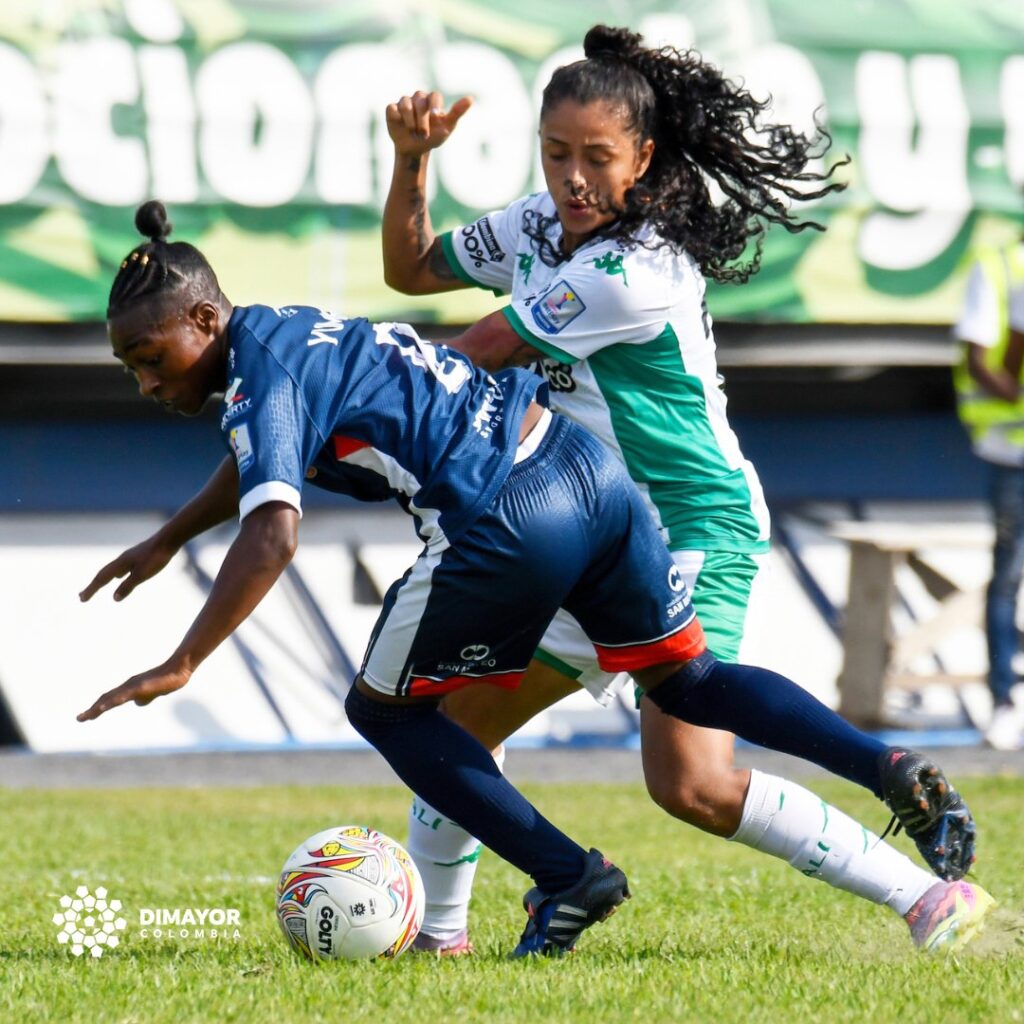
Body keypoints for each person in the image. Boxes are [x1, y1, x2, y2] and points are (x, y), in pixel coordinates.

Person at [77, 200, 983, 959]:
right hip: (585, 471)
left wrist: (185, 660)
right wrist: (169, 538)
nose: (146, 382)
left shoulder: (260, 376)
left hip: (502, 516)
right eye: (129, 368)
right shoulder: (285, 334)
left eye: (150, 357)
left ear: (205, 320)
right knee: (688, 680)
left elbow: (273, 534)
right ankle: (885, 766)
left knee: (386, 713)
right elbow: (261, 456)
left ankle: (567, 877)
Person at [381, 24, 992, 955]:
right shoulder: (538, 225)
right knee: (457, 721)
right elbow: (411, 268)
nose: (573, 178)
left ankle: (929, 896)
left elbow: (480, 349)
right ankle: (439, 941)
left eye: (597, 157)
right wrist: (412, 162)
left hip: (689, 522)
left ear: (644, 158)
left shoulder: (637, 268)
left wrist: (352, 389)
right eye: (556, 152)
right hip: (585, 529)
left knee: (693, 784)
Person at [954, 229, 1024, 751]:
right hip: (1011, 453)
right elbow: (985, 361)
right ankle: (1005, 700)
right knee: (1008, 578)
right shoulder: (1002, 265)